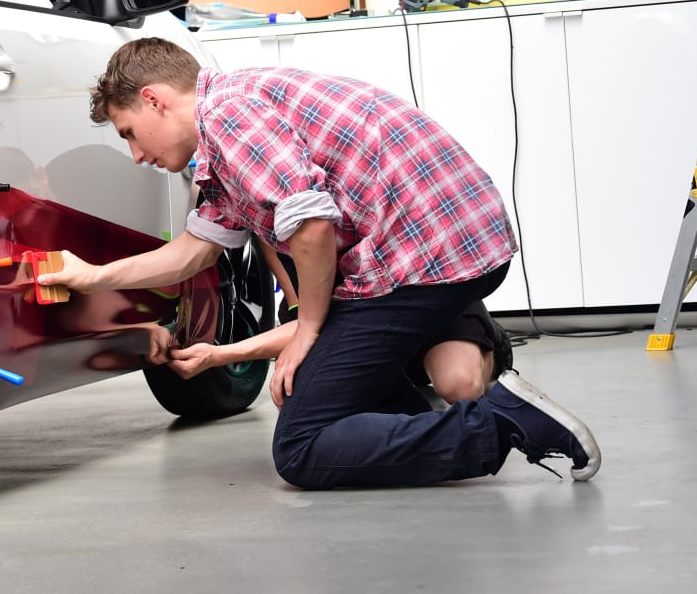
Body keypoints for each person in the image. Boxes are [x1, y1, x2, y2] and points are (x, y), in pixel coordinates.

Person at [38, 37, 600, 489]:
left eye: (131, 133)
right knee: (322, 390)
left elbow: (309, 224)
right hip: (433, 249)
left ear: (156, 99)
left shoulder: (229, 116)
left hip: (425, 257)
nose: (137, 155)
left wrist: (308, 328)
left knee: (301, 448)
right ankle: (455, 427)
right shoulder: (233, 118)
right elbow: (193, 252)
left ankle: (501, 423)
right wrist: (93, 276)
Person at [260, 245, 513, 405]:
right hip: (347, 309)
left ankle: (489, 344)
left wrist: (223, 355)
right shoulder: (253, 187)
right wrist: (296, 302)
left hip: (415, 285)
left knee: (460, 387)